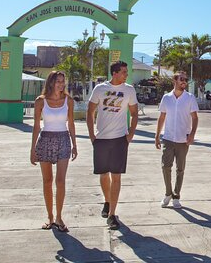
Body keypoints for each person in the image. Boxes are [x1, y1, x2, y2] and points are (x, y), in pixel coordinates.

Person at [86, 60, 139, 231]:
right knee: (103, 175)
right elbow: (90, 111)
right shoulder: (100, 89)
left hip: (119, 139)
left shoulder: (129, 90)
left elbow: (134, 113)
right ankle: (107, 201)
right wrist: (92, 135)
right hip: (101, 138)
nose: (126, 75)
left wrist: (130, 135)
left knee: (116, 176)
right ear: (114, 73)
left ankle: (112, 215)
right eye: (124, 72)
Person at [30, 70, 78, 232]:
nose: (61, 84)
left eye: (62, 81)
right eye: (58, 81)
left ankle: (59, 217)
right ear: (51, 83)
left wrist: (74, 144)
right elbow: (36, 126)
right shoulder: (40, 101)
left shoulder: (68, 101)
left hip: (63, 140)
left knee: (60, 181)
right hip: (45, 140)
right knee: (47, 181)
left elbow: (71, 124)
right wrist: (32, 149)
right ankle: (50, 217)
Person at [155, 71, 198, 209]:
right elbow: (162, 117)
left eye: (186, 79)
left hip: (183, 139)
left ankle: (176, 195)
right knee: (166, 166)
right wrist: (157, 135)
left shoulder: (190, 98)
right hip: (168, 138)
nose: (184, 81)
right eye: (182, 79)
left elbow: (195, 118)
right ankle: (168, 193)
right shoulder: (166, 98)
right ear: (175, 81)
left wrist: (192, 134)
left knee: (180, 169)